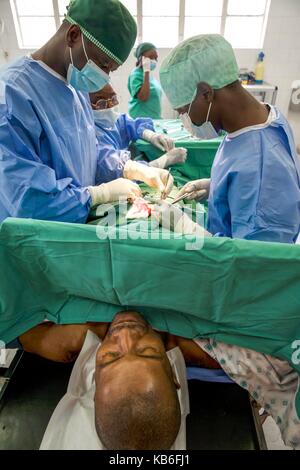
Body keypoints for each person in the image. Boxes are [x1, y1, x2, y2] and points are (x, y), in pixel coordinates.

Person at [13, 311, 300, 450]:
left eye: (109, 356)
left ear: (92, 375)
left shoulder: (74, 345)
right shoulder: (241, 359)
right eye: (148, 352)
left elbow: (15, 332)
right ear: (174, 374)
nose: (124, 333)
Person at [0, 0, 170, 224]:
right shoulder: (12, 94)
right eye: (104, 64)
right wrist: (97, 195)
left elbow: (87, 152)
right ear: (73, 35)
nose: (105, 76)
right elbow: (25, 197)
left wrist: (128, 168)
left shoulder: (75, 88)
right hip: (36, 241)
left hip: (72, 224)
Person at [159, 34, 300, 244]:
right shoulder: (268, 118)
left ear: (206, 93)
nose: (184, 120)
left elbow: (255, 263)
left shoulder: (260, 170)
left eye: (183, 111)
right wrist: (216, 188)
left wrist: (185, 226)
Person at [90, 84, 187, 184]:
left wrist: (149, 135)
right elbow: (118, 171)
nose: (111, 106)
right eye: (101, 103)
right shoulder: (90, 136)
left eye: (113, 98)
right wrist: (165, 160)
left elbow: (128, 123)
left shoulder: (111, 121)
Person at [128, 42, 162, 119]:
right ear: (141, 58)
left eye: (156, 58)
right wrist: (146, 71)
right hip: (141, 120)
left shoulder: (150, 76)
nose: (154, 61)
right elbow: (143, 97)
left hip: (154, 118)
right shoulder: (136, 74)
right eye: (151, 57)